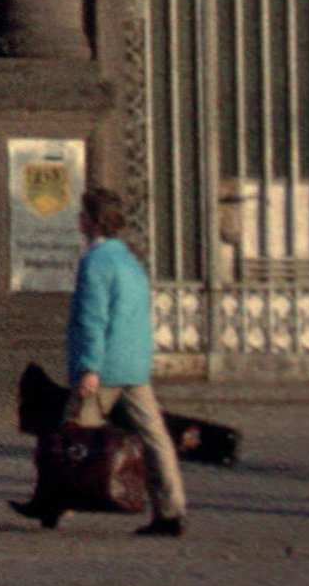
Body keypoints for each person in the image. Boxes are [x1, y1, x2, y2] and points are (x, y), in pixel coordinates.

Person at [17, 187, 184, 536]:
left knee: (69, 438)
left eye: (81, 214)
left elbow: (93, 319)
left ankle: (53, 504)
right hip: (133, 366)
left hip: (103, 367)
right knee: (155, 438)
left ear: (90, 222)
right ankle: (171, 510)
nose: (77, 219)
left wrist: (89, 367)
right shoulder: (131, 261)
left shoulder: (95, 263)